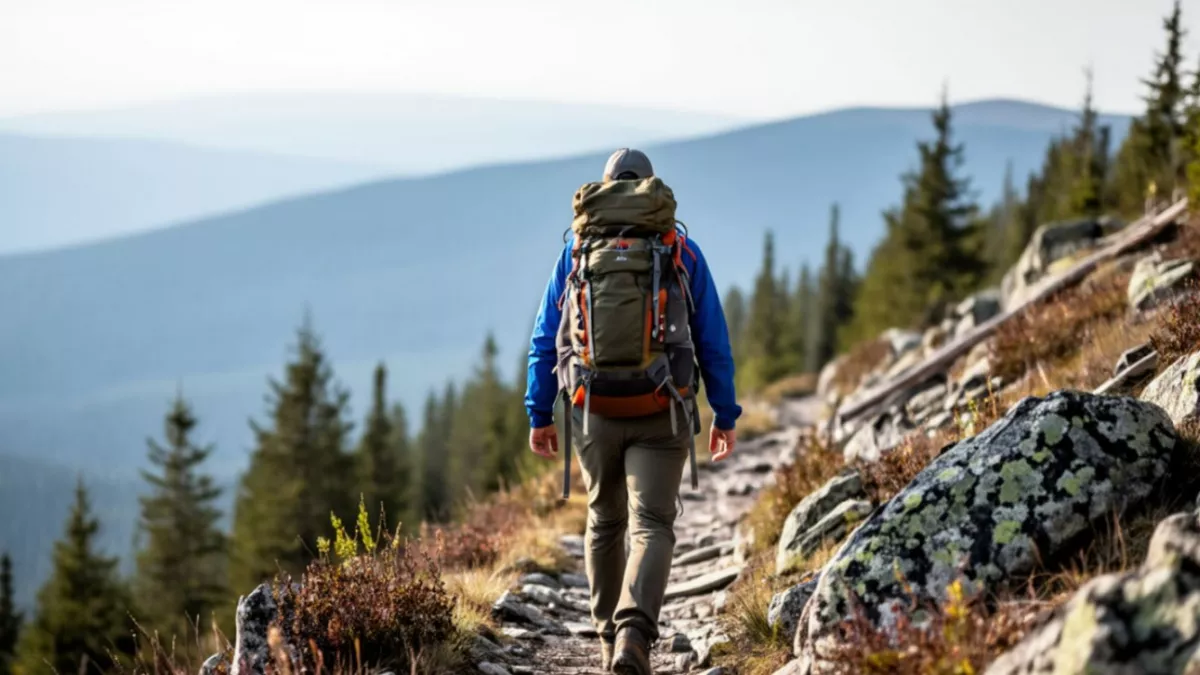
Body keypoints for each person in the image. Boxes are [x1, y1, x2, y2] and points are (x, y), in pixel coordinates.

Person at [524, 148, 742, 674]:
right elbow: (713, 339)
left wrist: (539, 413)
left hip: (592, 405)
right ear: (649, 189)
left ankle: (606, 643)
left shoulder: (578, 249)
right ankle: (633, 636)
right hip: (661, 405)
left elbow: (543, 338)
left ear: (605, 189)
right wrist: (725, 413)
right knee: (652, 524)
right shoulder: (679, 249)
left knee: (603, 519)